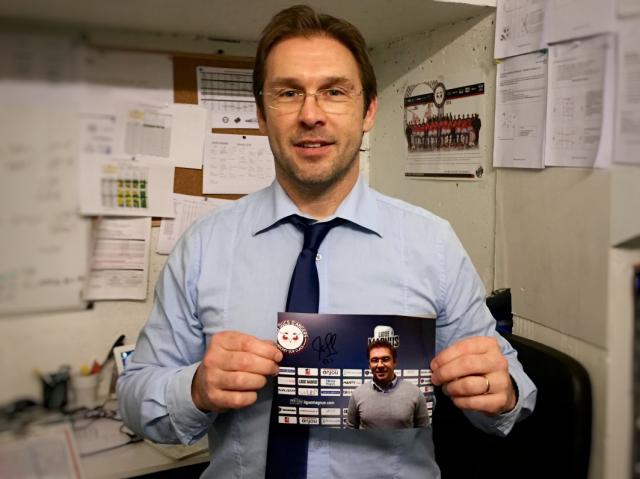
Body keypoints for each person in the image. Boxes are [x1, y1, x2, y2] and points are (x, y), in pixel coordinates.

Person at [118, 5, 536, 478]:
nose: (310, 115)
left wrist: (501, 391)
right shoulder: (204, 246)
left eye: (334, 92)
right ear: (261, 113)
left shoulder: (431, 244)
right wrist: (193, 388)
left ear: (369, 111)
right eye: (288, 92)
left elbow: (512, 394)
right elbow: (135, 399)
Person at [346, 340, 429, 429]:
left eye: (385, 359)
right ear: (369, 365)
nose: (380, 365)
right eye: (375, 360)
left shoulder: (415, 392)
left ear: (394, 362)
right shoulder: (357, 394)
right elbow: (350, 431)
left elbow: (423, 431)